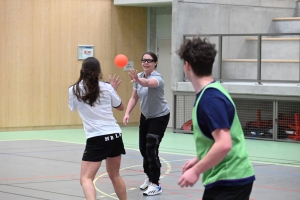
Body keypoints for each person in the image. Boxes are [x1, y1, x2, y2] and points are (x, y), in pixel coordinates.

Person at [177, 37, 255, 200]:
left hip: (229, 179)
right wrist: (199, 158)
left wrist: (197, 170)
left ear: (187, 65)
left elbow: (224, 143)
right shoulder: (212, 92)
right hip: (229, 178)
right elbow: (219, 139)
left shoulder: (210, 99)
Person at [68, 57, 127, 200]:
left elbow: (73, 108)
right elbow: (120, 107)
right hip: (114, 135)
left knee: (86, 178)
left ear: (82, 70)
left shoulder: (74, 89)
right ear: (98, 71)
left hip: (97, 138)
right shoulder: (107, 87)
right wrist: (112, 90)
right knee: (115, 175)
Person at [123, 52, 170, 196]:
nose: (145, 63)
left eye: (149, 61)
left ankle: (155, 184)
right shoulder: (139, 79)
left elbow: (148, 83)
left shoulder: (157, 78)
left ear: (155, 63)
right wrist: (127, 112)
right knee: (143, 148)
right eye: (143, 60)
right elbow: (133, 97)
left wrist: (137, 79)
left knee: (151, 147)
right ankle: (149, 176)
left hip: (160, 117)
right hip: (146, 117)